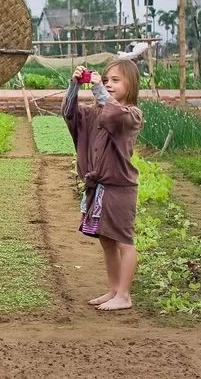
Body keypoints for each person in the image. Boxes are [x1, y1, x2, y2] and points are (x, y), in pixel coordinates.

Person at [62, 60, 143, 312]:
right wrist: (74, 86)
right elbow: (69, 113)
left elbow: (114, 114)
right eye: (106, 80)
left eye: (115, 81)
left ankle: (125, 295)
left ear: (132, 85)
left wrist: (99, 91)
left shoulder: (131, 115)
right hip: (98, 189)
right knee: (107, 241)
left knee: (123, 241)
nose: (109, 84)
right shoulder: (95, 112)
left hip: (119, 189)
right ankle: (113, 289)